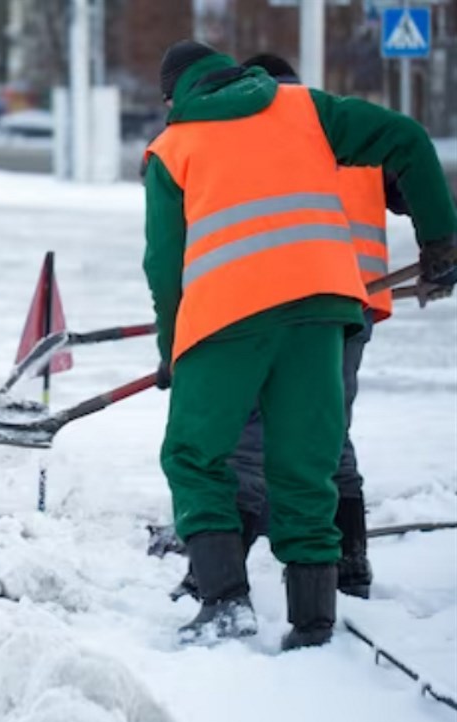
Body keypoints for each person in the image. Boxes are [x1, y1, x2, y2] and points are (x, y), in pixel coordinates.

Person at [144, 41, 457, 650]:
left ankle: (224, 602)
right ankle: (313, 626)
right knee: (306, 465)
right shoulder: (305, 109)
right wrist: (441, 243)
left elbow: (164, 267)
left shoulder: (172, 148)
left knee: (195, 456)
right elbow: (409, 139)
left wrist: (171, 350)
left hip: (225, 317)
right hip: (323, 312)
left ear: (172, 97)